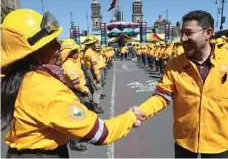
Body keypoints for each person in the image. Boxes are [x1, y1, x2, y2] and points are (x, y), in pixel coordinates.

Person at [1, 9, 144, 158]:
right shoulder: (46, 88)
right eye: (50, 43)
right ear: (33, 53)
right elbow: (101, 133)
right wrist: (130, 117)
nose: (59, 47)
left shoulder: (20, 79)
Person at [133, 10, 228, 158]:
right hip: (185, 140)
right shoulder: (175, 64)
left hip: (219, 141)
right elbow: (161, 96)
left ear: (208, 33)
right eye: (182, 33)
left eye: (189, 33)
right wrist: (142, 112)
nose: (183, 38)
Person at [82, 39, 104, 113]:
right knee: (97, 88)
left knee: (92, 88)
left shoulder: (87, 51)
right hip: (92, 71)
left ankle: (92, 105)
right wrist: (97, 74)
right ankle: (95, 106)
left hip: (89, 70)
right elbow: (94, 64)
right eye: (94, 43)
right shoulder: (90, 51)